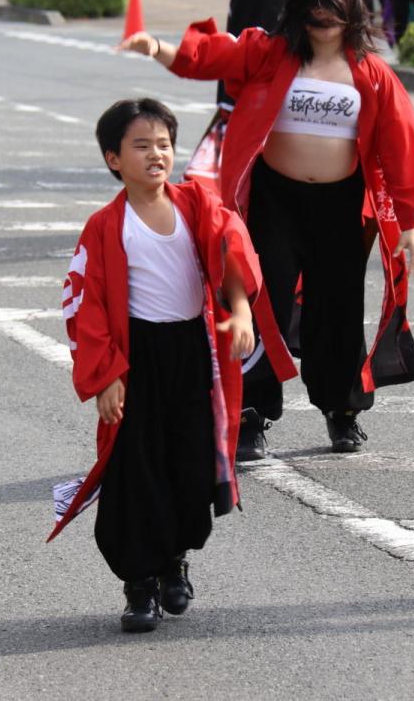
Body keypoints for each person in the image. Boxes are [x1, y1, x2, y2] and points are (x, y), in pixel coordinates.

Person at [119, 0, 414, 461]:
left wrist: (408, 225)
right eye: (314, 6)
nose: (323, 17)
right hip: (273, 202)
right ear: (298, 11)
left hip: (341, 207)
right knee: (262, 300)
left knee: (339, 308)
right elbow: (212, 57)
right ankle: (250, 413)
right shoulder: (269, 53)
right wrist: (157, 47)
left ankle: (342, 408)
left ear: (351, 11)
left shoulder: (373, 74)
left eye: (333, 6)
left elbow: (402, 147)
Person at [48, 98, 293, 633]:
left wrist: (242, 309)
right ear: (114, 159)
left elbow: (232, 252)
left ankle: (174, 561)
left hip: (191, 352)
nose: (155, 154)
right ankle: (139, 585)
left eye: (163, 144)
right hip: (136, 358)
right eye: (141, 146)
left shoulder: (195, 204)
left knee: (189, 462)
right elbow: (87, 307)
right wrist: (106, 376)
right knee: (135, 468)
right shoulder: (104, 226)